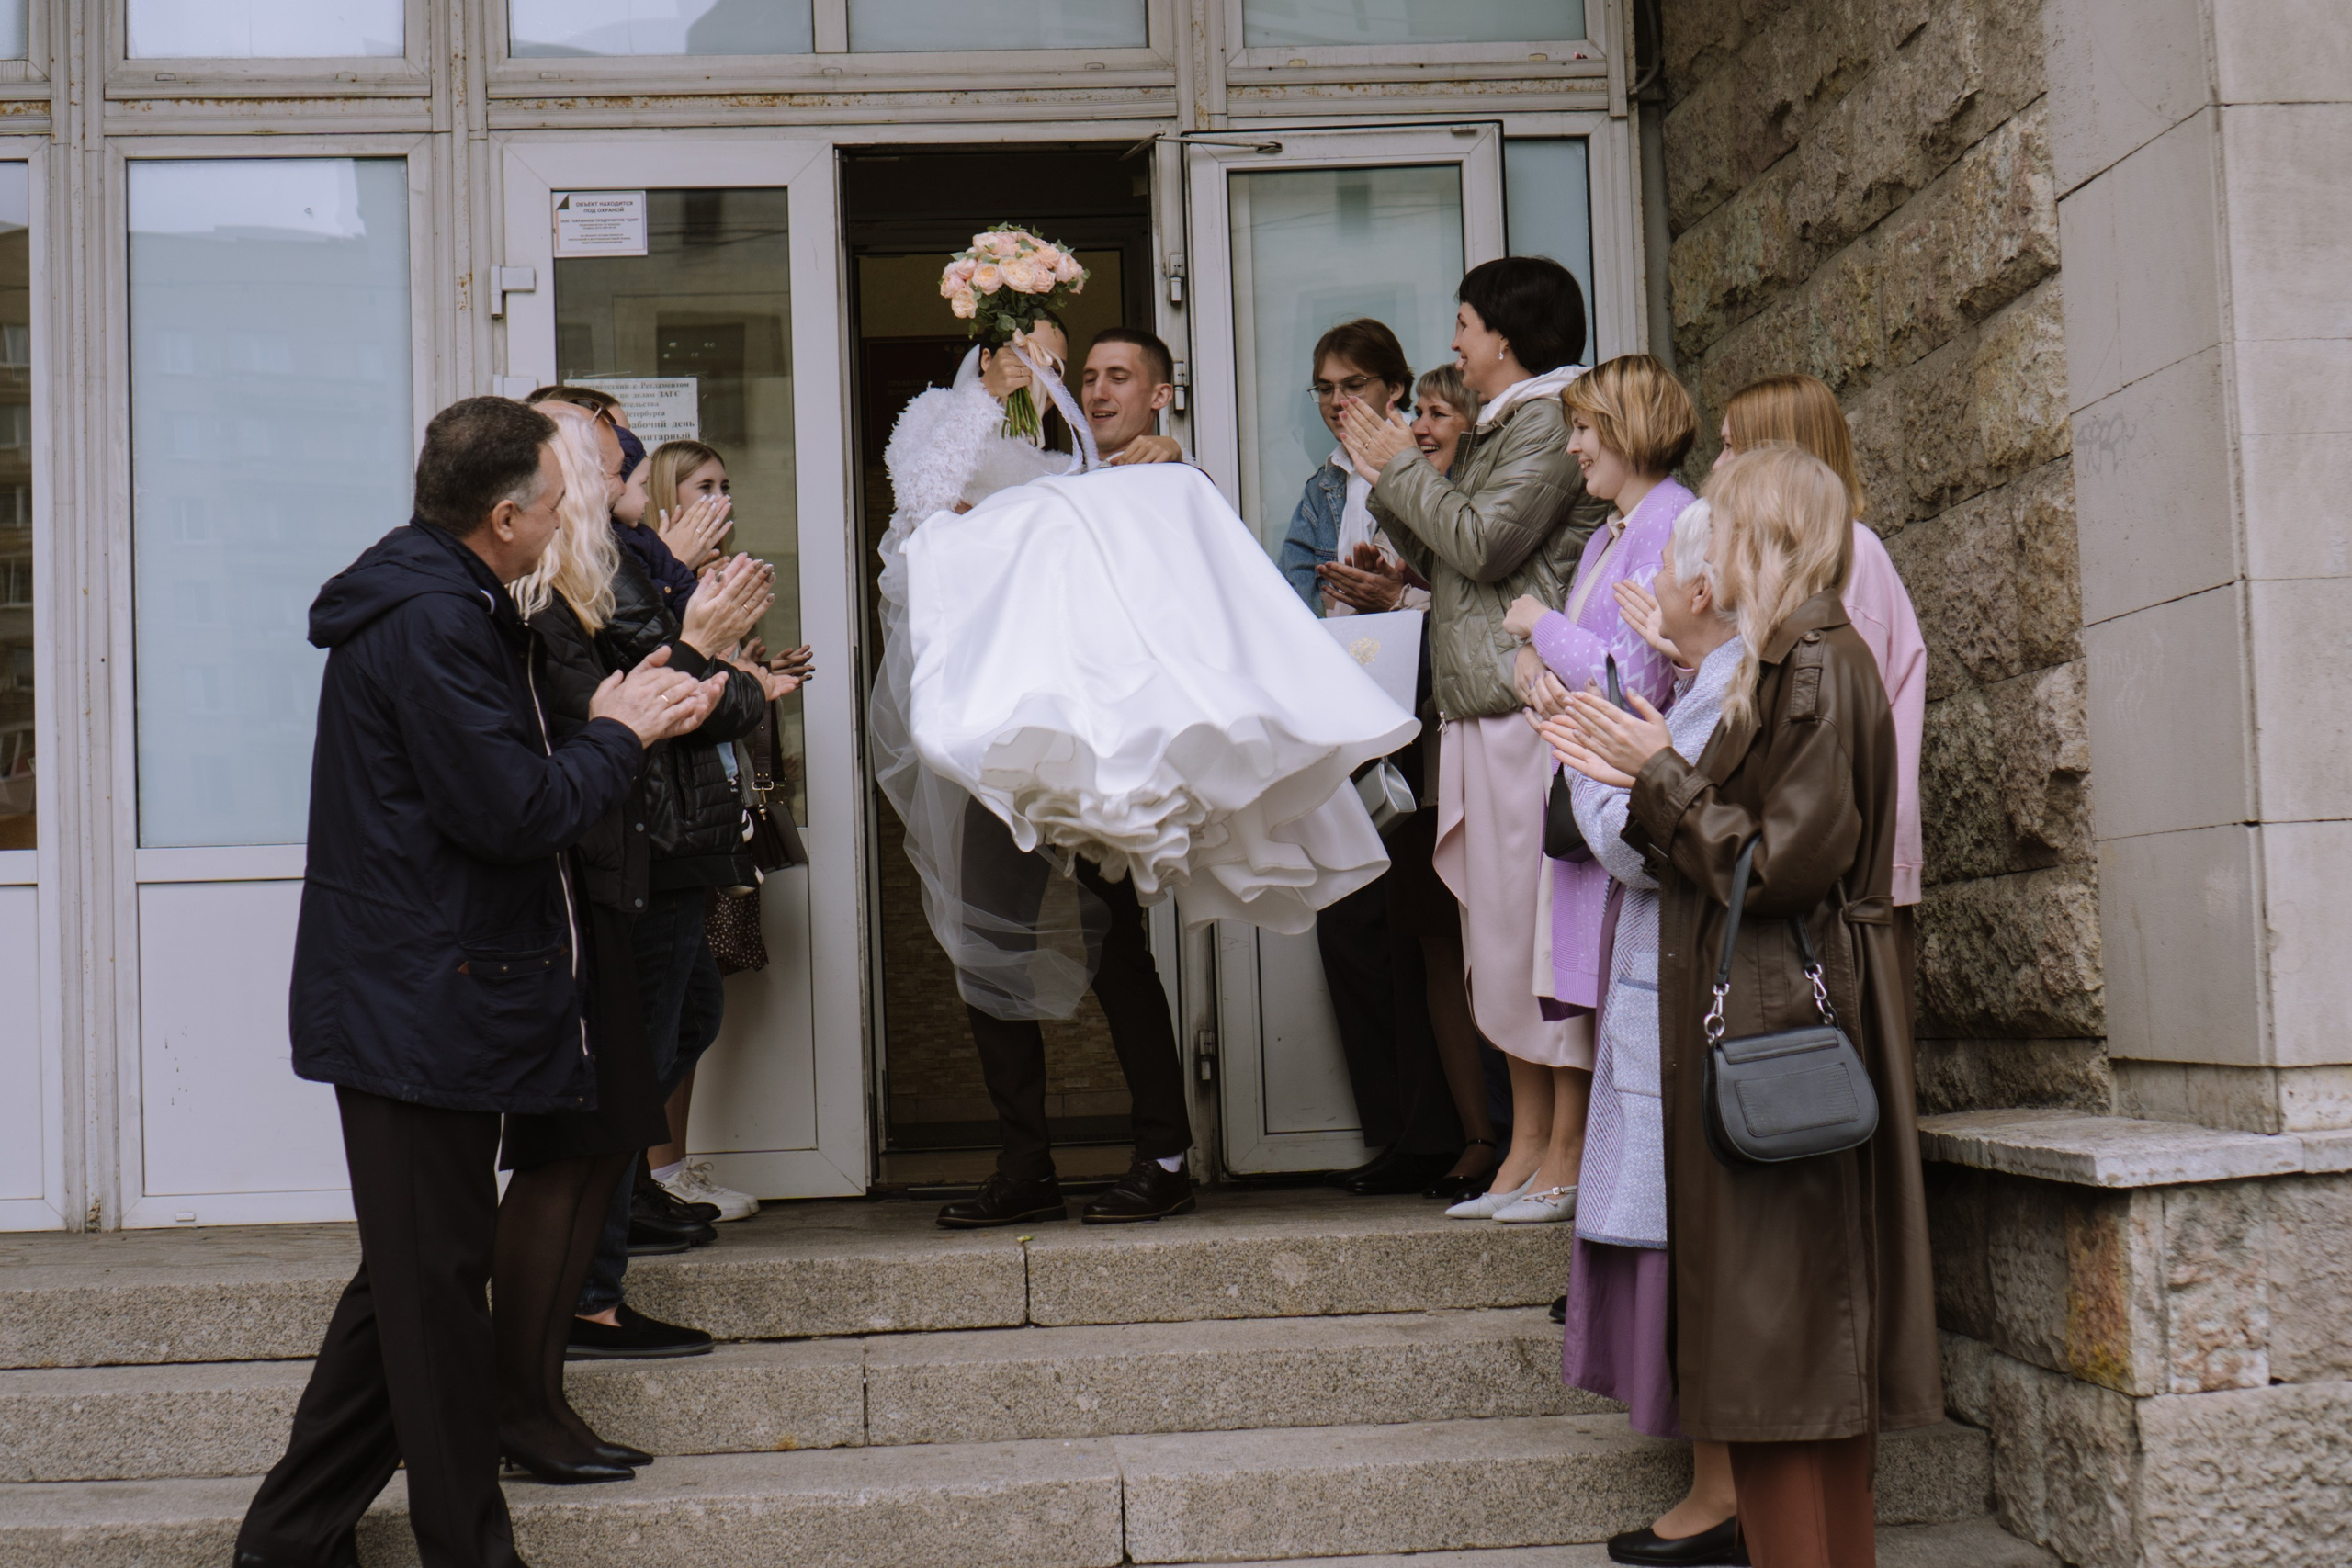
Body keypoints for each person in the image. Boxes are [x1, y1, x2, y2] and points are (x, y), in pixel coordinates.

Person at [232, 397, 722, 1568]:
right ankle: (465, 1547)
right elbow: (513, 811)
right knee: (433, 1297)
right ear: (505, 517)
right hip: (418, 999)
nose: (571, 519)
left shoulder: (442, 601)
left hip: (428, 993)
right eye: (557, 503)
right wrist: (619, 733)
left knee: (414, 1281)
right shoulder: (434, 624)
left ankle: (291, 1539)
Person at [874, 315, 1408, 1228]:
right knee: (984, 941)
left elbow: (1194, 573)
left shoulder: (1145, 472)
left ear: (1157, 392)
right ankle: (1023, 1163)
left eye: (1118, 375)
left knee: (1119, 951)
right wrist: (989, 396)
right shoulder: (983, 446)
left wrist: (1180, 470)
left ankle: (1163, 1152)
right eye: (1084, 372)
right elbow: (919, 510)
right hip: (996, 740)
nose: (1094, 388)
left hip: (1099, 752)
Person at [1547, 445, 1942, 1568]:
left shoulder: (1813, 664)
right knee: (1789, 1362)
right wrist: (1640, 766)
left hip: (1781, 1014)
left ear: (1764, 537)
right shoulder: (1795, 659)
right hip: (1771, 1009)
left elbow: (1785, 862)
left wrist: (1654, 776)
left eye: (1723, 533)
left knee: (1783, 1357)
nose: (1705, 559)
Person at [1340, 255, 1611, 1224]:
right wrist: (1397, 518)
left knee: (1539, 939)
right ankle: (1524, 1145)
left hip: (1525, 708)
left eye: (1462, 323)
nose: (1452, 342)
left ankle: (1566, 1149)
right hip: (1480, 706)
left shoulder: (1546, 418)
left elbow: (1488, 545)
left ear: (1504, 334)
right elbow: (1462, 554)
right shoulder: (1510, 422)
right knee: (1497, 944)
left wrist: (1396, 469)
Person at [490, 405, 690, 1486]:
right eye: (588, 472)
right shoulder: (530, 601)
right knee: (563, 1161)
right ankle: (524, 1405)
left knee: (601, 1144)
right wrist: (664, 687)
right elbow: (586, 730)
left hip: (610, 883)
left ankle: (541, 1403)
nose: (600, 491)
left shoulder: (563, 593)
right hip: (568, 897)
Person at [1548, 498, 1746, 1565]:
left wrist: (1588, 759)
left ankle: (1718, 1491)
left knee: (1686, 1242)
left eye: (1665, 569)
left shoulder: (1726, 693)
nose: (1652, 583)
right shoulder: (1719, 678)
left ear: (1705, 591)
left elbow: (1642, 845)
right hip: (1671, 982)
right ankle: (1715, 1484)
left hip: (1681, 982)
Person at [567, 454, 779, 1353]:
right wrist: (732, 670)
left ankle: (615, 1224)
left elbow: (702, 685)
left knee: (686, 1020)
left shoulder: (628, 556)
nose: (631, 466)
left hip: (675, 842)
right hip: (639, 846)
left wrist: (738, 676)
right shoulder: (604, 566)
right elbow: (677, 690)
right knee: (630, 1068)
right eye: (619, 455)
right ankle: (589, 1288)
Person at [1479, 355, 1698, 1227]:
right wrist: (1535, 661)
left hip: (1624, 794)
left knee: (1628, 1023)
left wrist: (1539, 625)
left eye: (1584, 429)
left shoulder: (1670, 521)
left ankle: (1616, 1220)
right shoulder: (1616, 528)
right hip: (1590, 787)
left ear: (1630, 429)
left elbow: (1630, 673)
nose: (1573, 448)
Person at [1271, 320, 1465, 1197]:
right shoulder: (1320, 492)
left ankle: (1457, 1135)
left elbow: (1475, 580)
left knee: (1425, 931)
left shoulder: (1428, 473)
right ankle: (1397, 1135)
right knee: (1350, 930)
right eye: (1322, 387)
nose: (1335, 402)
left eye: (1351, 385)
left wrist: (1401, 596)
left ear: (1393, 389)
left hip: (1421, 724)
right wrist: (1329, 599)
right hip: (1342, 730)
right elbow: (1278, 603)